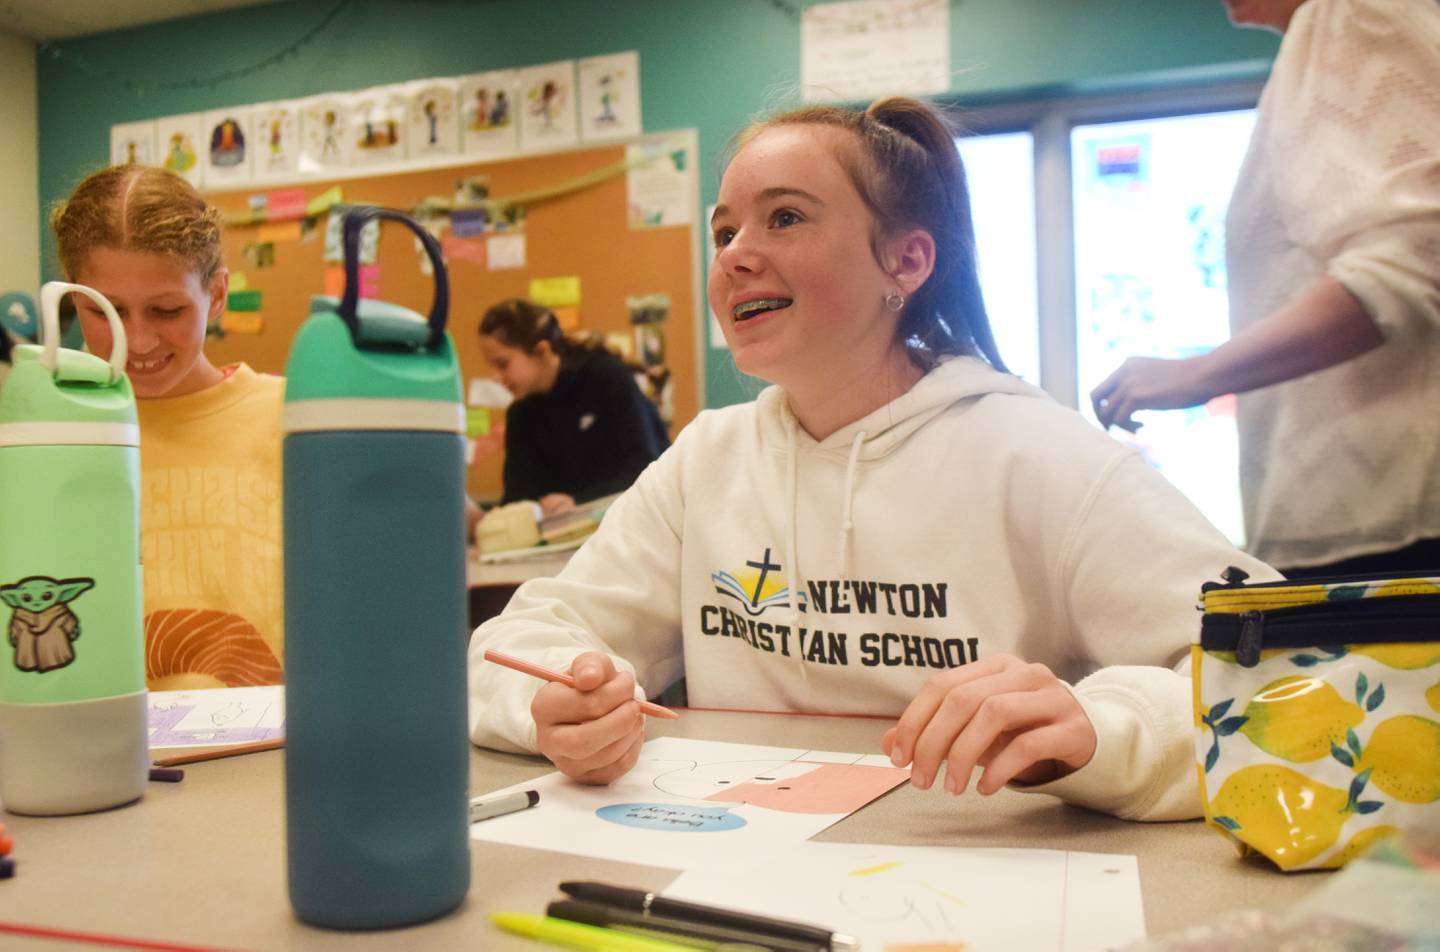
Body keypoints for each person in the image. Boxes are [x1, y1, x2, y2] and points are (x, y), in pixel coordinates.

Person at [467, 96, 1276, 822]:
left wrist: (1103, 728)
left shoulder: (1036, 454)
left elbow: (1281, 666)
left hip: (979, 882)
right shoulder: (706, 461)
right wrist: (556, 699)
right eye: (724, 231)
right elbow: (529, 637)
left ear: (907, 262)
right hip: (738, 860)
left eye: (784, 218)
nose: (736, 255)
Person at [1091, 0, 1440, 578]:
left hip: (1396, 542)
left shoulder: (1351, 15)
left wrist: (1196, 373)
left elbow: (1416, 254)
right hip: (1361, 529)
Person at [51, 165, 284, 690]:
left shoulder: (291, 418)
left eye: (166, 309)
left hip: (262, 752)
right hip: (92, 746)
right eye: (103, 310)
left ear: (217, 294)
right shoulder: (45, 435)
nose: (137, 341)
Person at [478, 298, 669, 517]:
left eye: (503, 364)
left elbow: (646, 467)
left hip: (637, 521)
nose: (496, 377)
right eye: (491, 366)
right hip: (569, 538)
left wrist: (577, 502)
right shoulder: (520, 415)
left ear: (542, 351)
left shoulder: (607, 378)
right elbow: (518, 497)